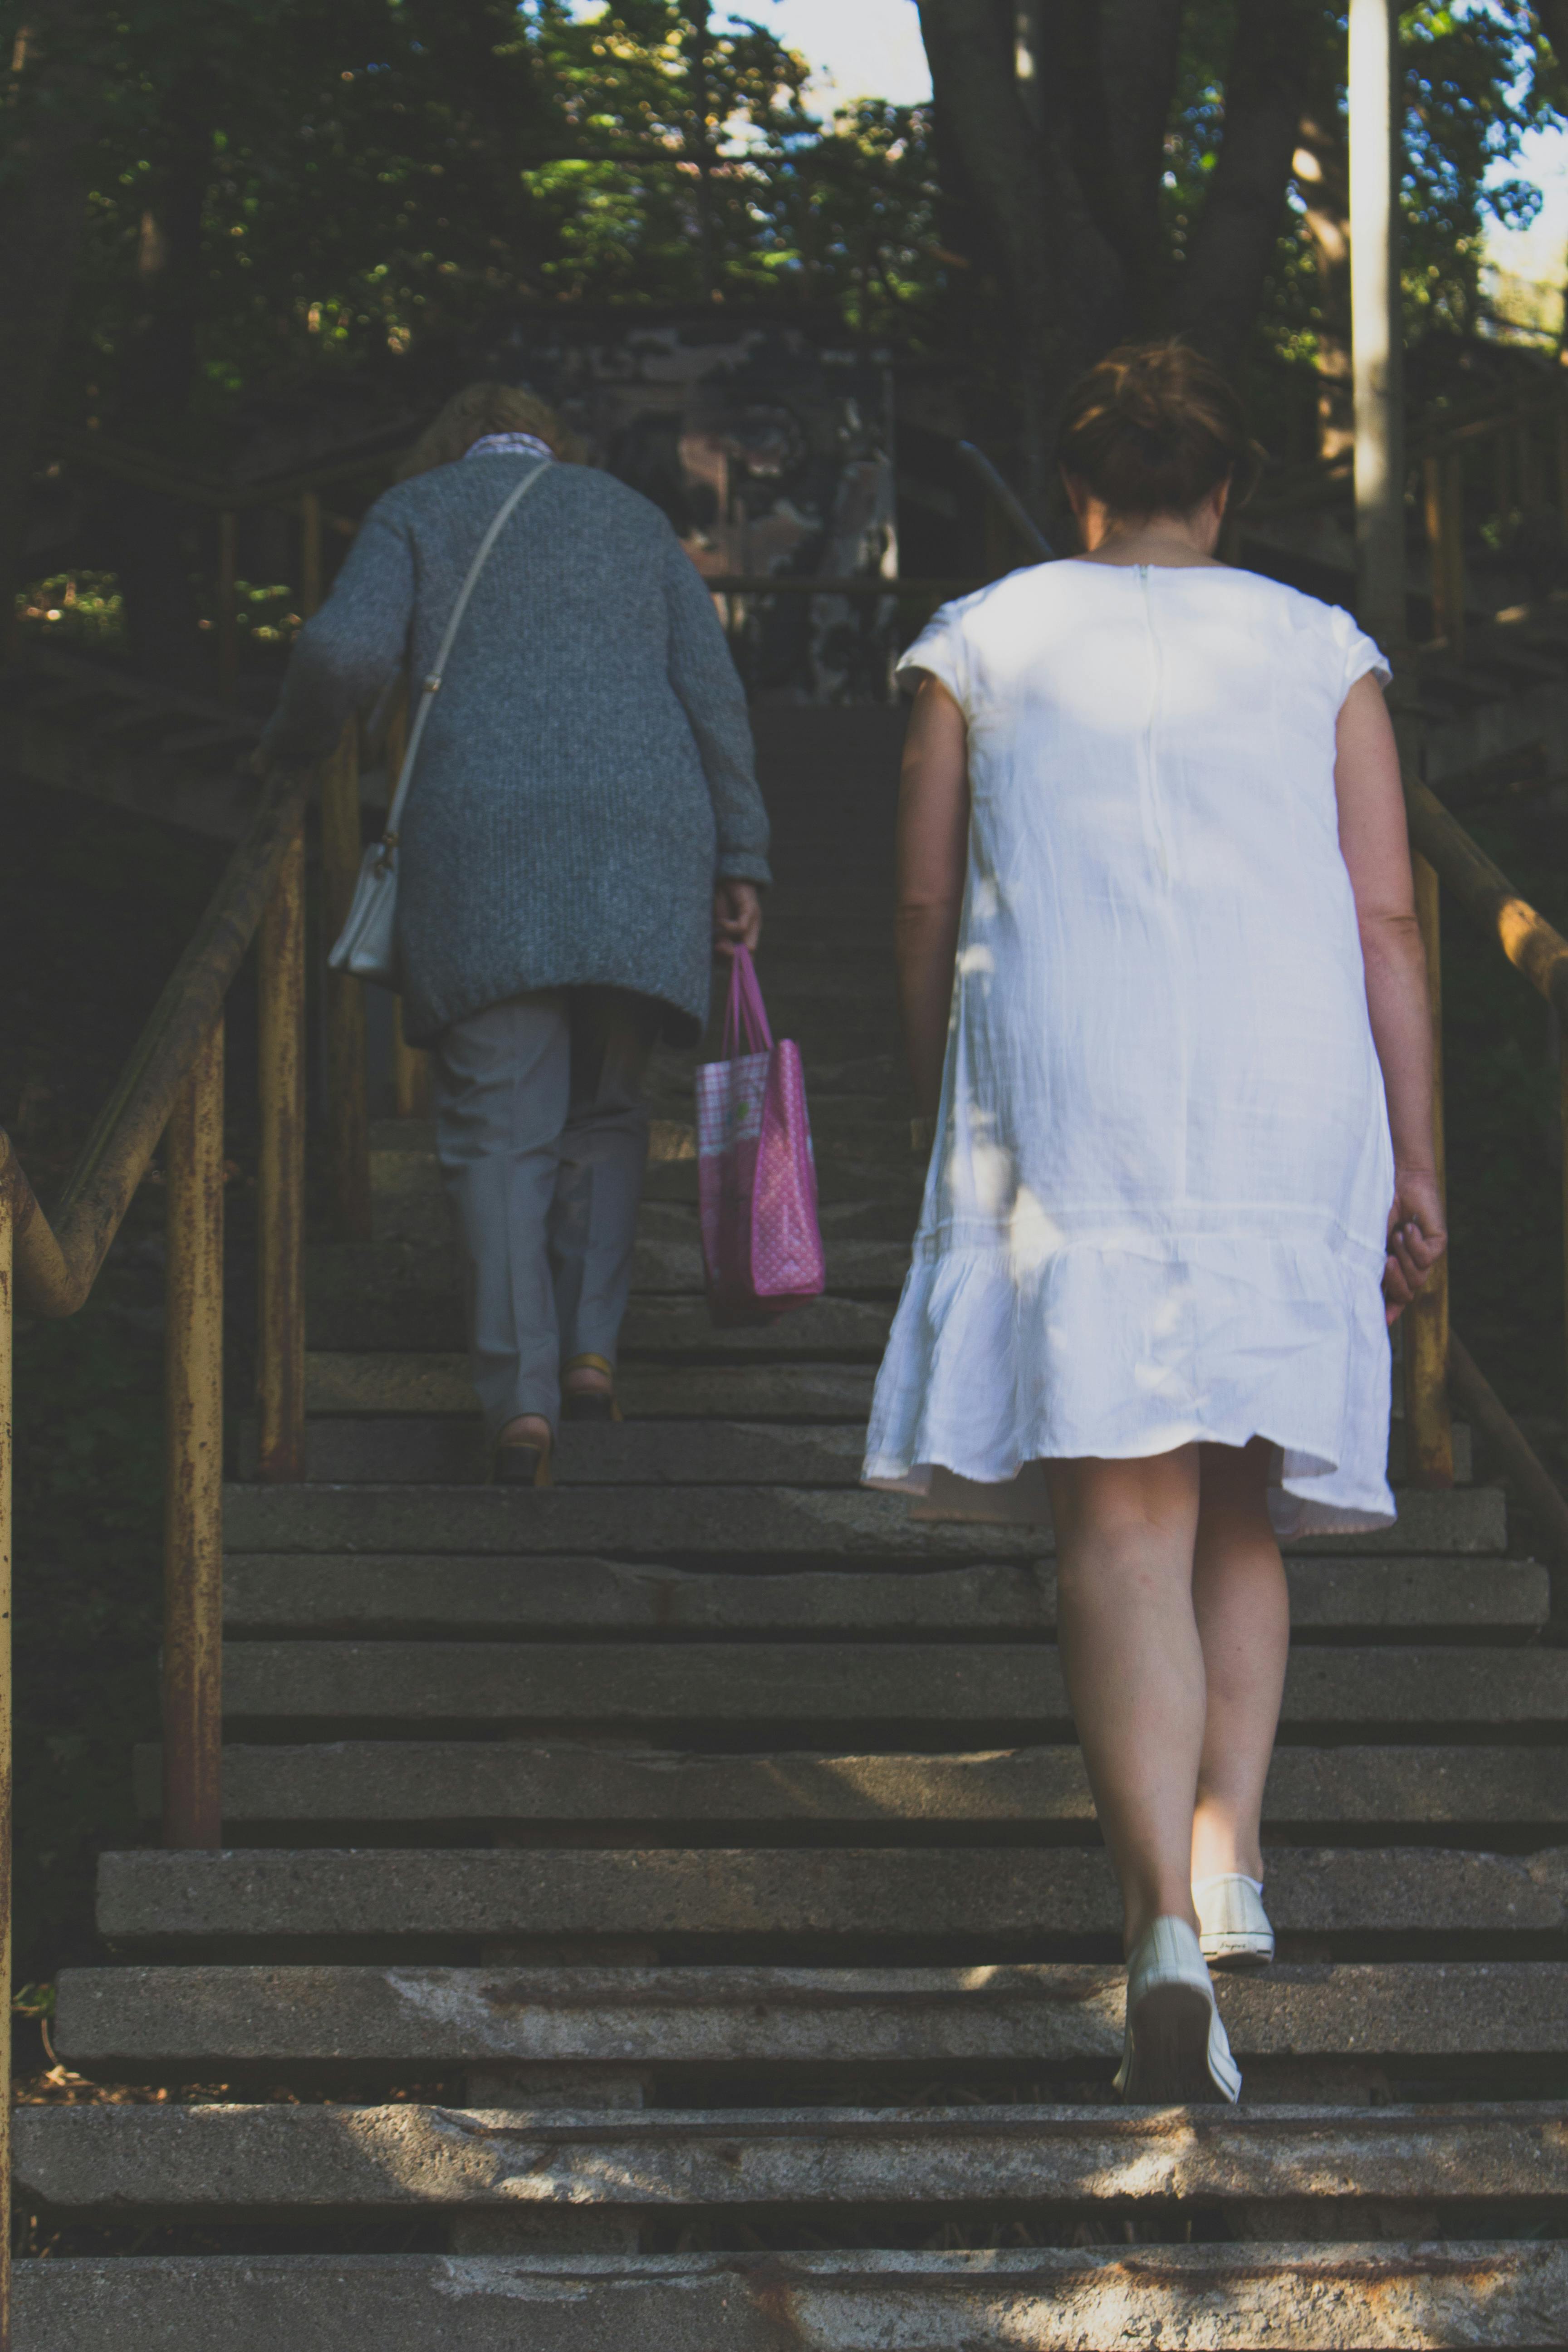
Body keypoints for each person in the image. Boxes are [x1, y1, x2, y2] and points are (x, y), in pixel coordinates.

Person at [862, 343, 1445, 2103]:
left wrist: (944, 1104)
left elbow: (918, 894)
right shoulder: (1319, 652)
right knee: (1239, 1498)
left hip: (1074, 1080)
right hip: (1288, 1094)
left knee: (1119, 1522)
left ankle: (1159, 1942)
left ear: (1081, 488)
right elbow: (1391, 920)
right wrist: (1420, 1164)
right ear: (1228, 492)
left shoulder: (983, 637)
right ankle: (1229, 1855)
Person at [260, 383, 771, 1483]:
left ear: (445, 446)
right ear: (560, 447)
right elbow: (713, 695)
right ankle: (592, 1353)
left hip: (488, 842)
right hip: (648, 840)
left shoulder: (416, 510)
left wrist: (289, 748)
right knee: (611, 1108)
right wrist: (742, 855)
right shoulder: (631, 518)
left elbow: (340, 658)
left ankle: (520, 1403)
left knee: (501, 1127)